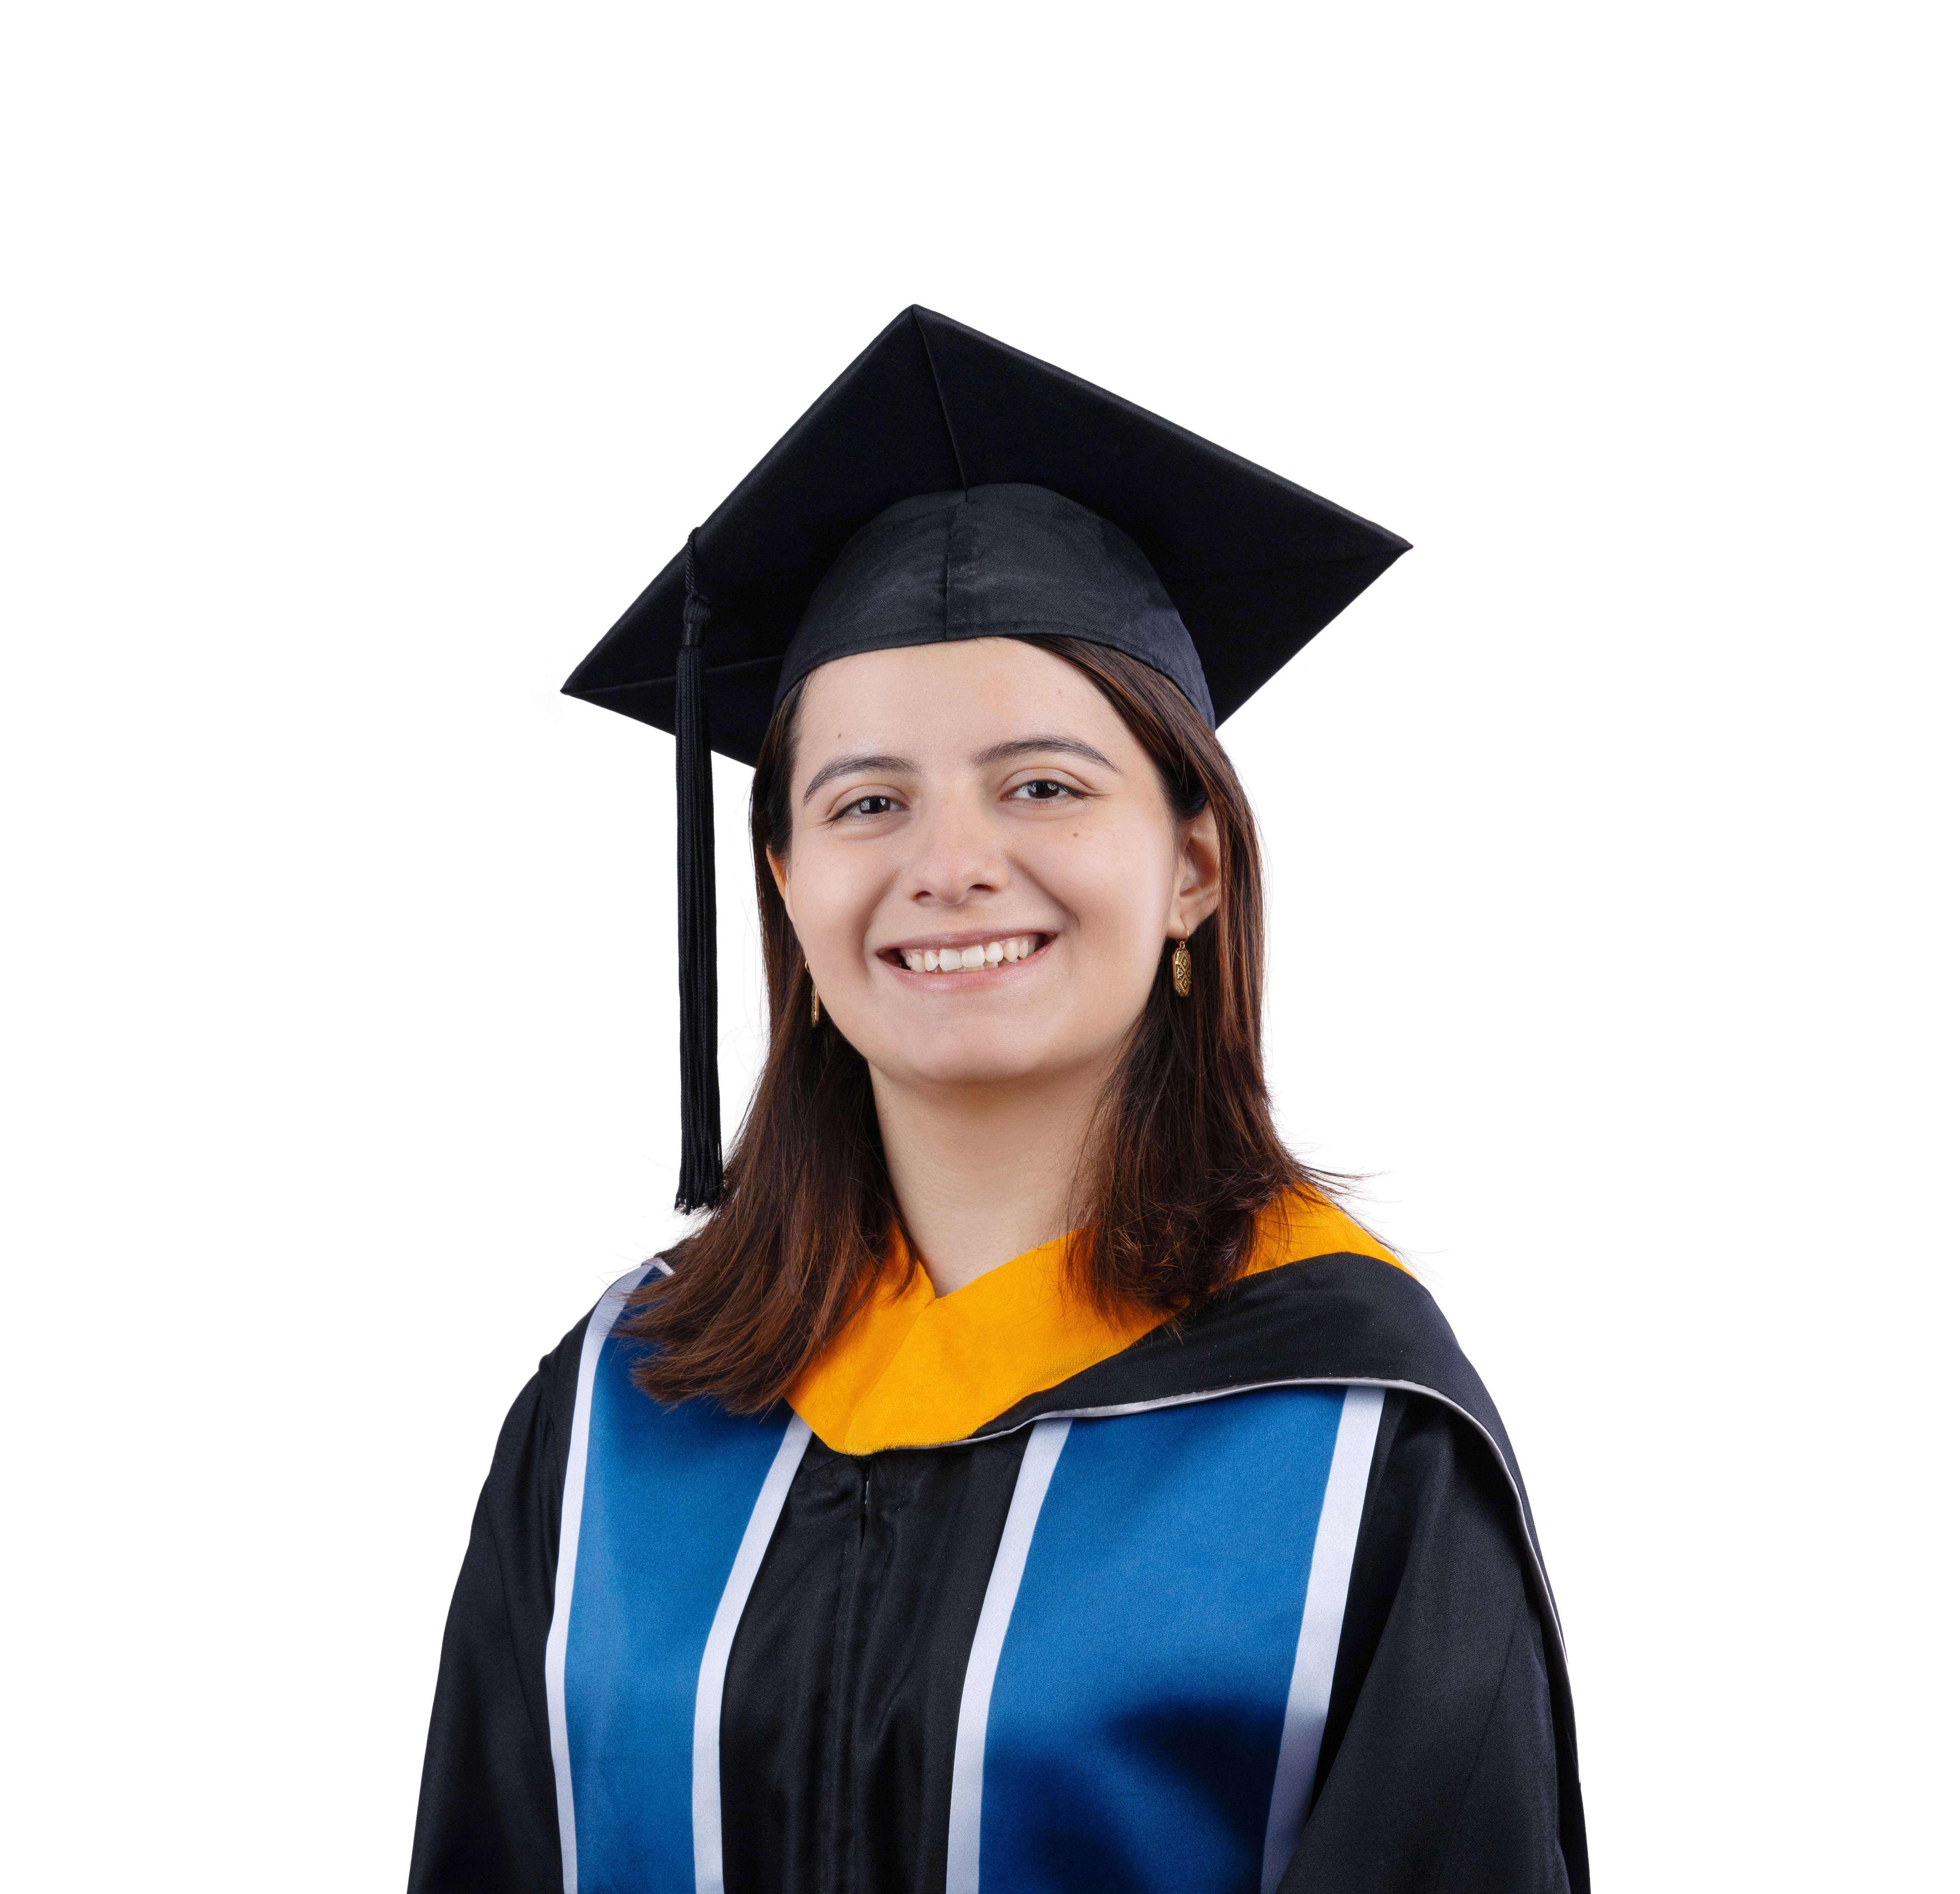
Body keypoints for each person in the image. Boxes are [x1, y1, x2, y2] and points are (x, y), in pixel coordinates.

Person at [408, 308, 1587, 1894]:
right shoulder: (618, 1410)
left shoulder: (1356, 1432)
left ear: (1193, 863)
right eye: (869, 800)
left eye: (1043, 783)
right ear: (787, 882)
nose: (950, 862)